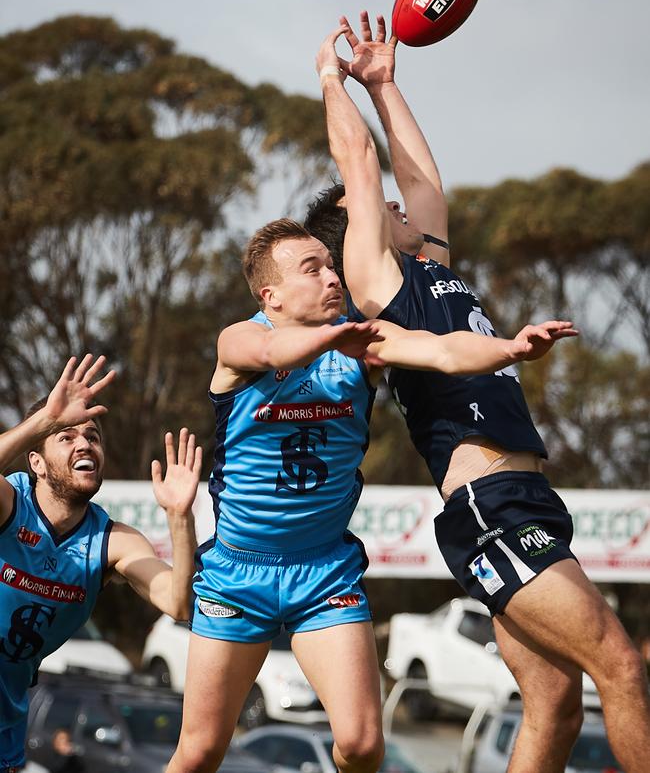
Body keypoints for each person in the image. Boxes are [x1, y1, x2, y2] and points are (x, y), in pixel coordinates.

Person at [305, 15, 650, 773]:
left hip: (526, 500)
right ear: (354, 231)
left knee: (555, 701)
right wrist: (334, 81)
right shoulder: (375, 280)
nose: (401, 208)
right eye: (382, 210)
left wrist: (387, 86)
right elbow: (358, 163)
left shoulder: (429, 270)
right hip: (487, 509)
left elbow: (423, 180)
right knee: (621, 666)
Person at [166, 217, 575, 773]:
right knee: (199, 753)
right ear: (272, 295)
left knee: (362, 746)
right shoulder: (240, 339)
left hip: (323, 573)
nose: (332, 277)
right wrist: (334, 338)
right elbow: (273, 352)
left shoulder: (361, 341)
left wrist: (510, 348)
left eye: (331, 266)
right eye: (313, 270)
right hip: (238, 573)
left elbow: (445, 352)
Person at [0, 355, 202, 773]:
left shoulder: (111, 541)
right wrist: (43, 421)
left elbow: (178, 603)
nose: (84, 444)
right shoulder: (10, 504)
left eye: (92, 436)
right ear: (35, 462)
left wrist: (181, 518)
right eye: (66, 436)